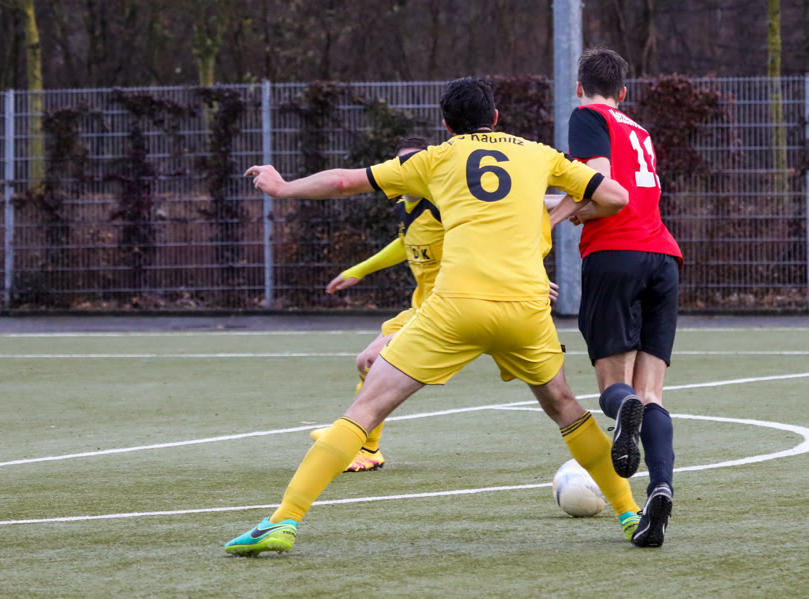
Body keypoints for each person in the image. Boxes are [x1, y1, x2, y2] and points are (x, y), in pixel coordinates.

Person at [225, 77, 641, 556]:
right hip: (526, 306)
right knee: (566, 407)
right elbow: (614, 197)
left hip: (456, 308)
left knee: (364, 410)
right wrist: (555, 216)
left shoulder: (434, 159)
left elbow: (343, 181)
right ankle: (631, 514)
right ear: (496, 118)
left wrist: (282, 187)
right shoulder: (538, 154)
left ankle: (284, 520)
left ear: (446, 125)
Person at [316, 136, 560, 472]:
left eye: (417, 161)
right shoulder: (404, 206)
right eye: (404, 163)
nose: (412, 168)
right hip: (422, 307)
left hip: (454, 308)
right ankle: (359, 438)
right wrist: (358, 271)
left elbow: (503, 222)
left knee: (371, 359)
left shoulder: (445, 203)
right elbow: (406, 243)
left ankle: (364, 445)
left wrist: (529, 277)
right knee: (368, 362)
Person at [550, 48, 683, 547]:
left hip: (615, 256)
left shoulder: (587, 116)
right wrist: (576, 207)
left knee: (615, 386)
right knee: (653, 395)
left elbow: (600, 183)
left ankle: (621, 406)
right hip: (663, 257)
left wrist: (554, 219)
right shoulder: (639, 130)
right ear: (623, 92)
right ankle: (661, 488)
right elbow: (620, 192)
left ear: (579, 88)